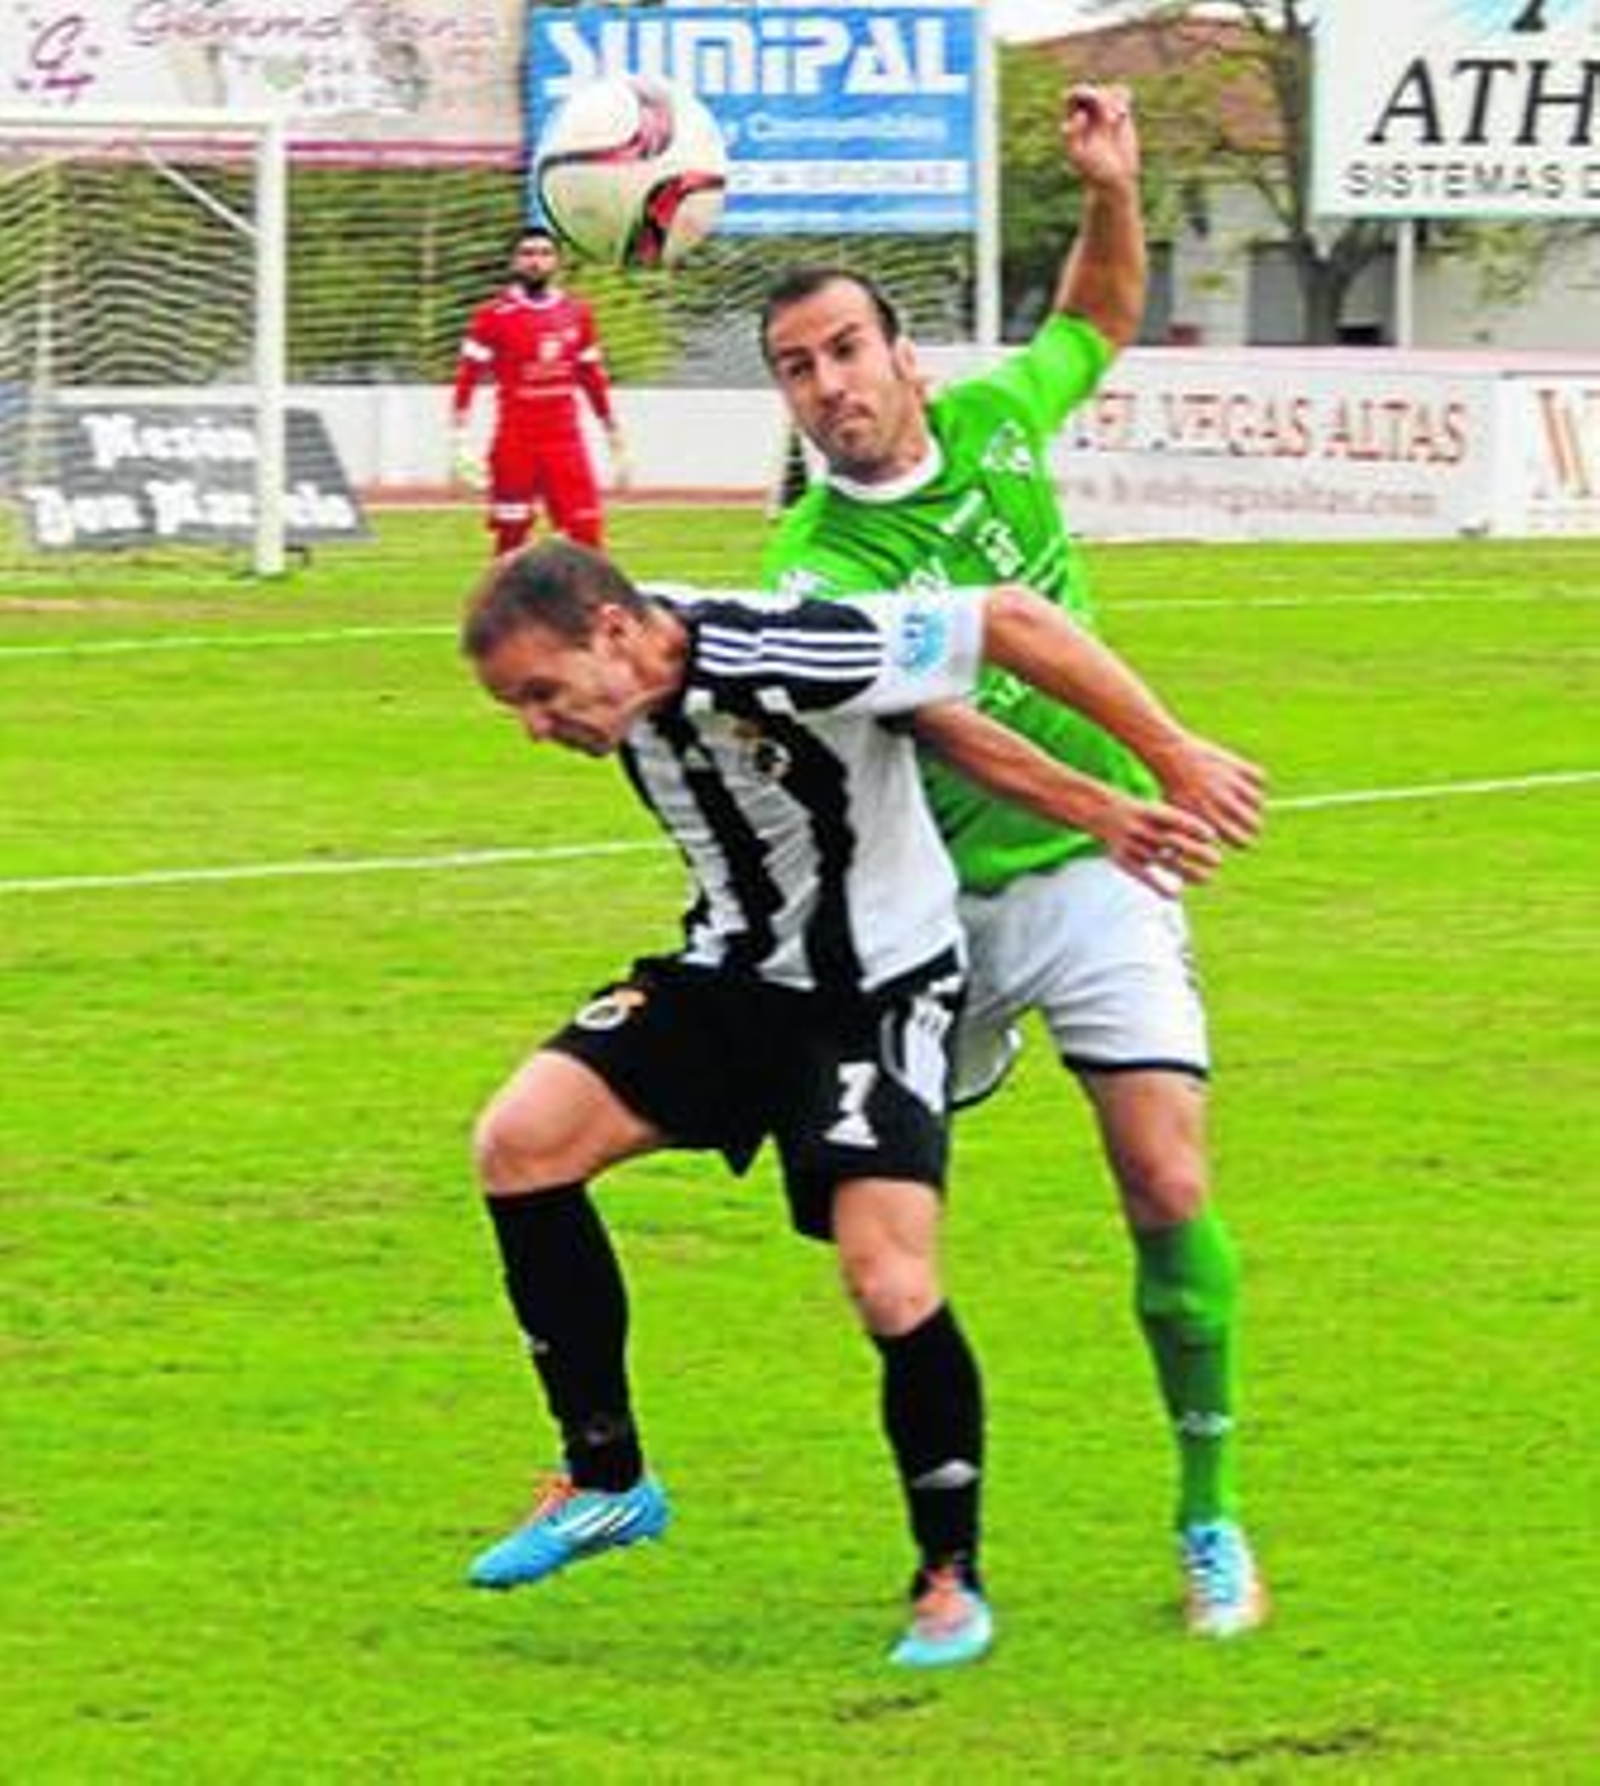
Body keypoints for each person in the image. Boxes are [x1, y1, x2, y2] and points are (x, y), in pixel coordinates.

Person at [460, 538, 1260, 1667]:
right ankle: (607, 1479)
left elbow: (1007, 622)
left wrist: (1150, 773)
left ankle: (949, 1579)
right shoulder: (646, 641)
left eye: (540, 696)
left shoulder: (781, 645)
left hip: (872, 993)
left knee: (887, 1276)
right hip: (731, 976)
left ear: (610, 633)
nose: (536, 728)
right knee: (518, 1143)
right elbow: (921, 716)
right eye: (514, 707)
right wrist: (1092, 803)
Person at [759, 84, 1270, 1638]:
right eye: (797, 368)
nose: (830, 384)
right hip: (927, 920)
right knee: (887, 1235)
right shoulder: (813, 567)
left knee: (1166, 1170)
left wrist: (1115, 184)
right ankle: (949, 1531)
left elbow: (1097, 321)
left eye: (848, 349)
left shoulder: (992, 423)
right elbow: (954, 729)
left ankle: (1209, 1515)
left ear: (904, 357)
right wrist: (1116, 797)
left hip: (1094, 889)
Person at [451, 227, 627, 556]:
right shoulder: (492, 316)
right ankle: (504, 606)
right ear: (514, 262)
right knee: (511, 538)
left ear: (557, 262)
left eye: (544, 253)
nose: (536, 261)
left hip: (565, 443)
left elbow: (592, 378)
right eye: (528, 253)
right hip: (514, 444)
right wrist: (458, 439)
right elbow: (467, 376)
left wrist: (613, 435)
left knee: (586, 533)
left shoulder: (577, 313)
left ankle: (586, 606)